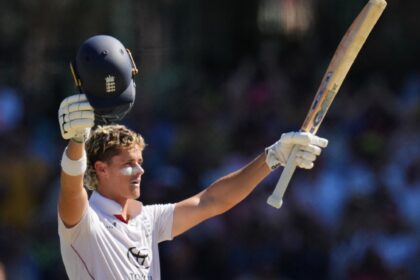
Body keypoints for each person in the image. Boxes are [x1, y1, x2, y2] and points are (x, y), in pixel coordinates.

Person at [57, 35, 328, 280]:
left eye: (139, 162)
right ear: (101, 169)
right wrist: (77, 141)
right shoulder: (86, 224)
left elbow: (211, 200)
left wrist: (273, 157)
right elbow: (71, 189)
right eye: (129, 165)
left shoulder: (147, 219)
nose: (140, 171)